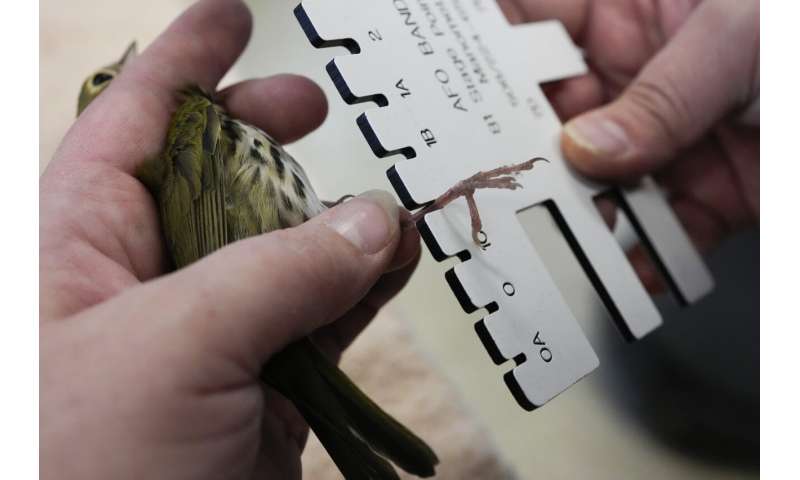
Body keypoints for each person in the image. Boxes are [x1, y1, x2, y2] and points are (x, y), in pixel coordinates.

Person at [40, 0, 759, 478]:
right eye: (108, 79)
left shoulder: (189, 133)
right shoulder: (186, 132)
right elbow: (220, 238)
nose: (125, 70)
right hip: (252, 245)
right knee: (365, 251)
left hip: (259, 250)